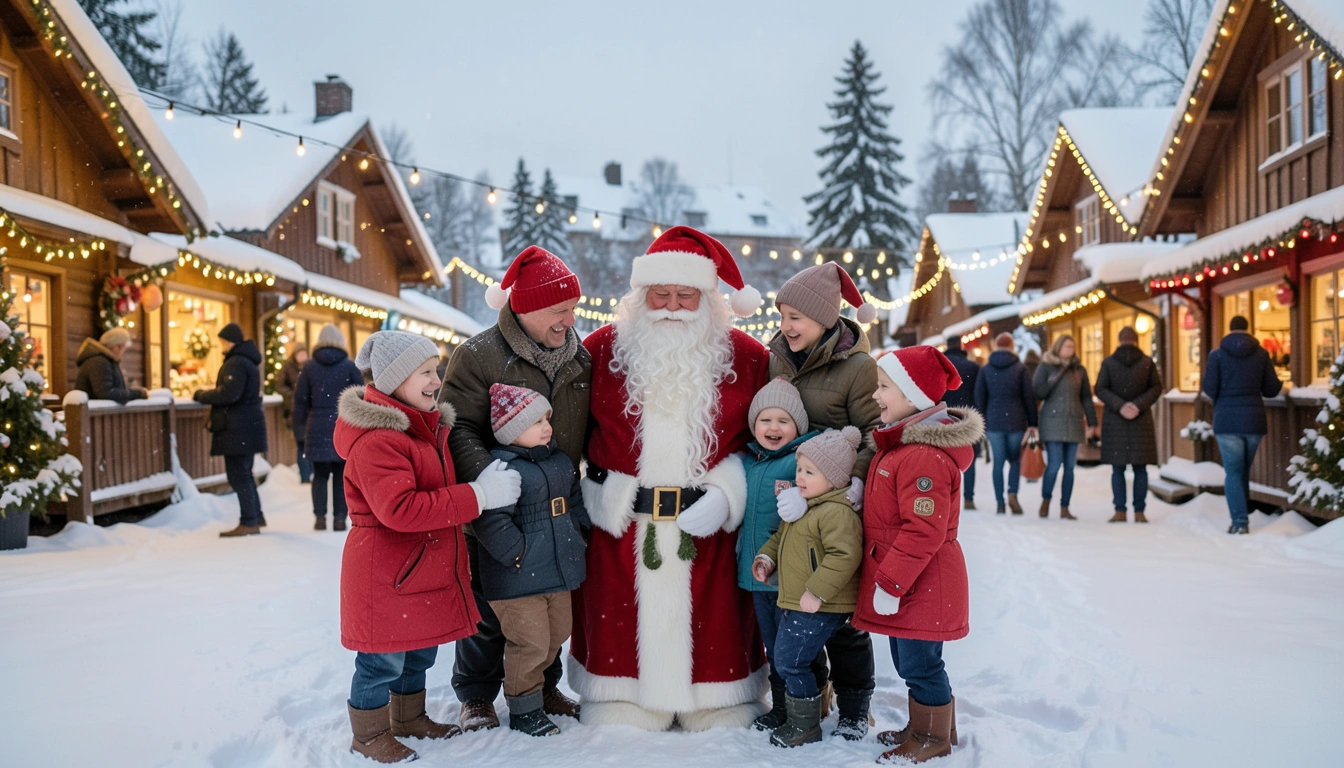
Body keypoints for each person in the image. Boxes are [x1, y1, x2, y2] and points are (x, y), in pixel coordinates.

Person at [572, 225, 770, 731]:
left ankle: (719, 699)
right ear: (640, 296)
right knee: (619, 625)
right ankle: (624, 698)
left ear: (709, 299)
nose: (672, 306)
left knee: (718, 626)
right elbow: (567, 432)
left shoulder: (749, 359)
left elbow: (770, 440)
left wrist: (729, 494)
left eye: (686, 295)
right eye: (660, 294)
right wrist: (601, 495)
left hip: (709, 533)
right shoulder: (597, 351)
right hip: (622, 531)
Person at [334, 331, 522, 763]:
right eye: (425, 373)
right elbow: (399, 509)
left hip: (415, 569)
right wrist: (477, 496)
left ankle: (408, 717)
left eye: (435, 371)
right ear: (395, 381)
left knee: (418, 648)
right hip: (386, 571)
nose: (436, 382)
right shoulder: (378, 440)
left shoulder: (422, 428)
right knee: (382, 659)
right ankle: (368, 734)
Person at [438, 245, 589, 731]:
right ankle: (477, 695)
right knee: (489, 607)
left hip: (556, 497)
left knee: (549, 603)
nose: (569, 318)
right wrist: (490, 482)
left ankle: (543, 687)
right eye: (558, 310)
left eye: (572, 308)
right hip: (499, 503)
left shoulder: (577, 354)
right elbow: (456, 426)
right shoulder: (478, 355)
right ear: (524, 309)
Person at [768, 262, 881, 739]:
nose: (786, 326)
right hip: (792, 492)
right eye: (782, 315)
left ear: (825, 319)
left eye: (796, 316)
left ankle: (855, 705)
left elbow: (875, 431)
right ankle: (805, 701)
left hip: (838, 500)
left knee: (844, 614)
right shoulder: (777, 358)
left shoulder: (857, 366)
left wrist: (855, 482)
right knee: (797, 602)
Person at [860, 346, 980, 764]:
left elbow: (923, 530)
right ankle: (926, 727)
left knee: (920, 664)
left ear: (912, 396)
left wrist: (890, 582)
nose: (876, 395)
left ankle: (933, 739)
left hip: (920, 581)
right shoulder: (903, 446)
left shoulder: (922, 456)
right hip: (913, 581)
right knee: (910, 659)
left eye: (884, 387)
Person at [475, 384, 590, 737]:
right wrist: (519, 553)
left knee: (557, 633)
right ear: (511, 431)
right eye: (535, 422)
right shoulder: (501, 470)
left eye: (546, 419)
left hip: (557, 572)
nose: (547, 427)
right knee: (530, 642)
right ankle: (524, 707)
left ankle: (543, 692)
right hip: (518, 577)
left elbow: (574, 500)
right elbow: (492, 521)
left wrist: (579, 531)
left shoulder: (558, 462)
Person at [753, 427, 864, 748]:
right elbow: (780, 539)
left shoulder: (836, 513)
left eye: (809, 471)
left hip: (823, 604)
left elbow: (844, 556)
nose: (800, 476)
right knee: (790, 658)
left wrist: (816, 590)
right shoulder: (805, 506)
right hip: (798, 601)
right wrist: (766, 558)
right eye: (800, 469)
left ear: (834, 477)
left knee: (791, 661)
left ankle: (804, 725)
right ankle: (800, 716)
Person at [737, 378, 822, 732]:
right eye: (765, 420)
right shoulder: (746, 462)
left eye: (783, 421)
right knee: (772, 646)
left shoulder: (802, 460)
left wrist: (805, 497)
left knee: (795, 650)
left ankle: (805, 709)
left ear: (798, 427)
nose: (773, 428)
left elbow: (825, 494)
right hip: (755, 571)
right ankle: (781, 707)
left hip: (791, 575)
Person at [1201, 316, 1282, 534]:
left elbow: (1209, 388)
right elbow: (1272, 389)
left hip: (1227, 421)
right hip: (1253, 420)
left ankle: (1239, 521)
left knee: (1234, 472)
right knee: (1242, 471)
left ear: (1230, 330)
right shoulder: (1261, 354)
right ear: (1248, 330)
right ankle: (1241, 517)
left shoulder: (1217, 355)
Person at [193, 323, 267, 537]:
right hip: (245, 427)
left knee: (238, 475)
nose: (221, 346)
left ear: (229, 341)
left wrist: (201, 395)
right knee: (244, 473)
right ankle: (256, 516)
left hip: (237, 428)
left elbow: (229, 393)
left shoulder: (236, 362)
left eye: (222, 341)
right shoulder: (246, 361)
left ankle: (249, 521)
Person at [292, 325, 362, 531]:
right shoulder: (350, 366)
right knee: (341, 476)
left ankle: (320, 518)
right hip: (344, 426)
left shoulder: (310, 367)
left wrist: (299, 424)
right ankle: (340, 519)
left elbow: (300, 399)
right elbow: (361, 397)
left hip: (317, 428)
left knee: (319, 476)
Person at [1094, 327, 1162, 524]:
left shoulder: (1108, 363)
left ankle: (1120, 510)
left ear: (1119, 340)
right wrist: (1138, 405)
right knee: (1140, 469)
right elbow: (1157, 387)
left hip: (1115, 420)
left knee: (1118, 469)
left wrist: (1120, 405)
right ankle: (1139, 512)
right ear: (1136, 341)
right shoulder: (1147, 362)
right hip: (1141, 420)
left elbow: (1100, 388)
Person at [1033, 335, 1098, 520]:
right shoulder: (1046, 366)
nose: (1070, 349)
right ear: (1058, 348)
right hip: (1052, 421)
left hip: (1074, 421)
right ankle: (1046, 500)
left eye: (1073, 346)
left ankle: (1065, 507)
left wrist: (1093, 422)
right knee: (1054, 464)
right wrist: (1058, 373)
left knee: (1069, 467)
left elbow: (1086, 397)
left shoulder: (1080, 370)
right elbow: (1038, 391)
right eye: (1067, 346)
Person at [973, 333, 1038, 514]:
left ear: (995, 346)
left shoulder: (985, 370)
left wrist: (984, 417)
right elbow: (1028, 397)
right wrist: (1033, 422)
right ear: (1011, 347)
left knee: (998, 463)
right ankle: (1012, 494)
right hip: (1016, 420)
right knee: (1015, 461)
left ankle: (1000, 502)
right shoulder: (1020, 369)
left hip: (994, 422)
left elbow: (979, 397)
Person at [941, 337, 981, 510]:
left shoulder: (940, 366)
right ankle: (969, 498)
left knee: (943, 460)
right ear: (961, 346)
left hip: (943, 416)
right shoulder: (973, 367)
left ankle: (945, 498)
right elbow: (979, 394)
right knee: (969, 459)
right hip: (967, 416)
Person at [74, 327, 147, 404]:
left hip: (96, 414)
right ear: (117, 346)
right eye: (122, 346)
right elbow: (106, 393)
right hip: (93, 414)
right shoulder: (99, 362)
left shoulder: (104, 361)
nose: (122, 351)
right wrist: (138, 394)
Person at [276, 343, 312, 483]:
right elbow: (280, 385)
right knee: (302, 444)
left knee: (311, 444)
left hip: (310, 411)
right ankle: (305, 475)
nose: (302, 357)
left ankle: (312, 472)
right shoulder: (287, 367)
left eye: (304, 353)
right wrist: (293, 395)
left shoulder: (311, 366)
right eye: (300, 354)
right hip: (295, 411)